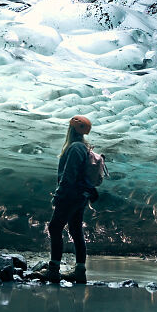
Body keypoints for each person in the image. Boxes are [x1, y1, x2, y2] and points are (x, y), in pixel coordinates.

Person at [41, 115, 96, 284]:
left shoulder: (75, 148)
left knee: (55, 227)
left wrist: (59, 196)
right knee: (75, 229)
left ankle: (53, 270)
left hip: (71, 196)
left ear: (71, 129)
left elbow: (69, 175)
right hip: (81, 196)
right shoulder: (84, 147)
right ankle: (80, 271)